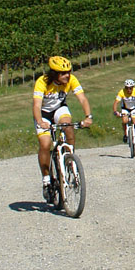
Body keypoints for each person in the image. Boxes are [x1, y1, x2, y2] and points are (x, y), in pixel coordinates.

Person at [33, 56, 93, 191]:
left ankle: (70, 159)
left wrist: (88, 117)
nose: (67, 75)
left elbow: (82, 99)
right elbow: (36, 105)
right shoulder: (42, 82)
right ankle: (46, 179)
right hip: (43, 114)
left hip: (59, 109)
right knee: (45, 144)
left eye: (69, 72)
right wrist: (40, 122)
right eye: (63, 73)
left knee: (68, 126)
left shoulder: (71, 80)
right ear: (54, 73)